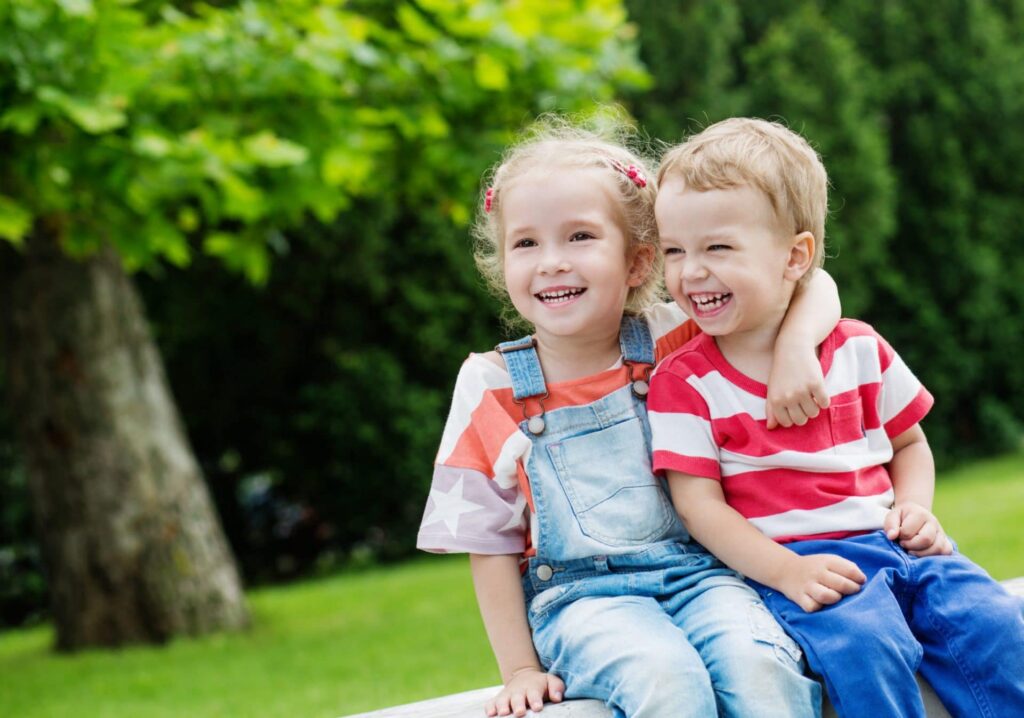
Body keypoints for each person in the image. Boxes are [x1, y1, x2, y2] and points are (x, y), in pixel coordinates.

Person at [417, 117, 837, 718]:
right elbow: (488, 542)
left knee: (762, 664)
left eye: (580, 237)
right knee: (666, 681)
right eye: (526, 243)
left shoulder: (677, 335)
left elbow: (808, 282)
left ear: (638, 261)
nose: (551, 262)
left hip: (702, 575)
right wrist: (518, 669)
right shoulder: (493, 385)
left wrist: (796, 347)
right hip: (582, 601)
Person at [649, 117, 1024, 718]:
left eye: (718, 247)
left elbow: (910, 445)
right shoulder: (686, 381)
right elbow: (699, 506)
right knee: (866, 649)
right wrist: (786, 572)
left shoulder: (857, 348)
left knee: (997, 624)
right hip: (806, 565)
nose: (690, 271)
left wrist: (915, 507)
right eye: (674, 250)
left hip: (903, 548)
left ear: (795, 256)